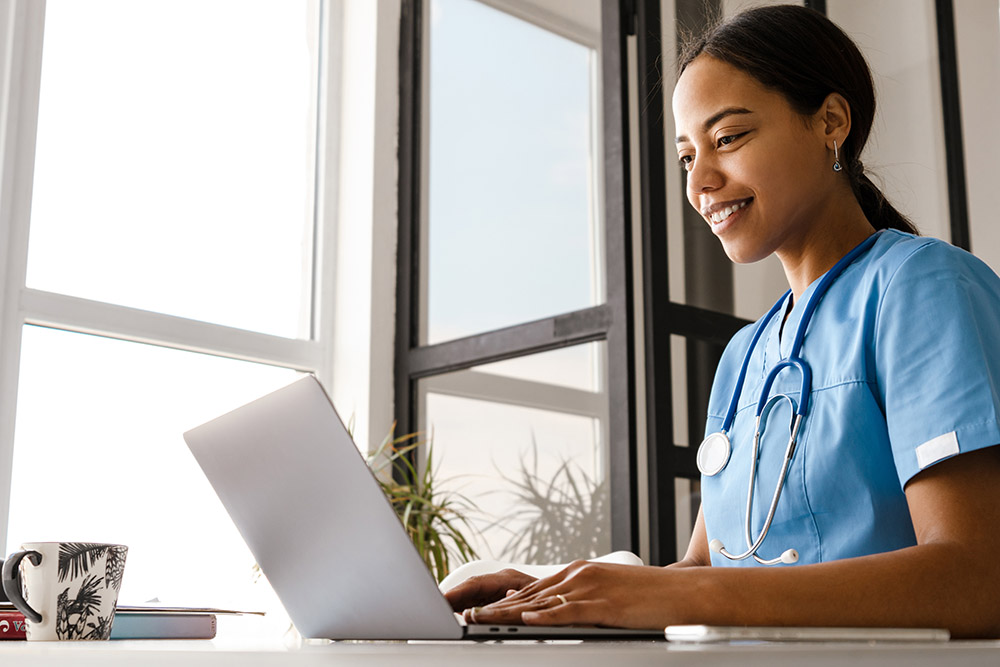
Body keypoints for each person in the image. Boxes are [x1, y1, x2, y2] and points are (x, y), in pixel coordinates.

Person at [443, 5, 1000, 638]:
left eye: (728, 138)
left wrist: (686, 590)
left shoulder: (921, 287)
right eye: (686, 157)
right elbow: (701, 572)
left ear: (831, 123)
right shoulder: (744, 355)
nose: (701, 181)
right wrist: (555, 588)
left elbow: (981, 578)